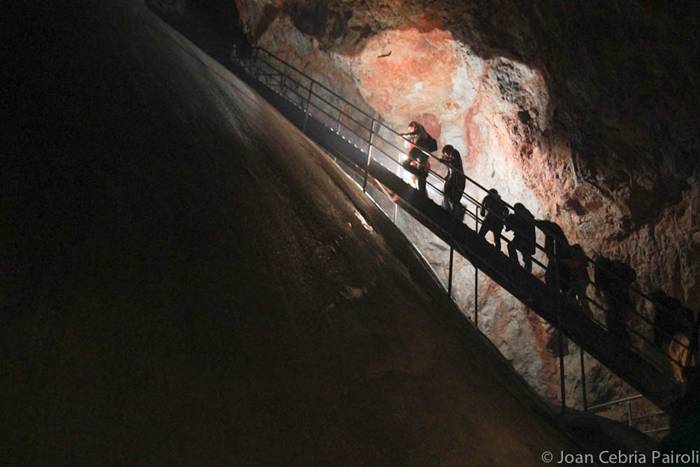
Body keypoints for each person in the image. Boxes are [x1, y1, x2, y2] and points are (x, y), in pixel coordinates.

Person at [594, 256, 637, 343]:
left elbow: (600, 283)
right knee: (618, 318)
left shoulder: (606, 271)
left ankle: (619, 341)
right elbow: (632, 274)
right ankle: (622, 340)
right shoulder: (615, 267)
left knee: (615, 318)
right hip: (619, 295)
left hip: (617, 296)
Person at [399, 121, 435, 195]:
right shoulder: (424, 134)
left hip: (419, 148)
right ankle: (423, 194)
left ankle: (420, 174)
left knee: (405, 164)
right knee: (422, 176)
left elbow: (414, 134)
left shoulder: (419, 129)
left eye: (410, 129)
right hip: (425, 151)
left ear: (413, 126)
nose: (410, 131)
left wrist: (404, 135)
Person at [559, 244, 592, 316]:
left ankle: (586, 313)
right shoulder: (580, 260)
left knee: (579, 296)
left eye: (573, 252)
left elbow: (573, 264)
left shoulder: (579, 261)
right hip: (580, 281)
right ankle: (585, 312)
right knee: (580, 297)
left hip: (581, 281)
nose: (572, 254)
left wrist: (561, 260)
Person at [537, 220, 569, 287]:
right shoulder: (553, 235)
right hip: (557, 259)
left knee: (552, 277)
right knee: (551, 277)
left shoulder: (555, 237)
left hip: (558, 260)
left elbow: (550, 251)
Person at [505, 203, 536, 272]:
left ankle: (519, 265)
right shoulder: (525, 214)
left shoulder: (525, 215)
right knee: (525, 254)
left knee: (525, 254)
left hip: (524, 237)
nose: (515, 211)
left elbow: (522, 224)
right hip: (523, 237)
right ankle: (521, 267)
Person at [439, 145, 465, 219]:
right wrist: (447, 176)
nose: (445, 156)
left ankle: (456, 212)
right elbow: (450, 169)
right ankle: (450, 210)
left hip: (457, 178)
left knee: (453, 195)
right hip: (453, 178)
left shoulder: (454, 152)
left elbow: (455, 162)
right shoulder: (450, 157)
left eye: (445, 154)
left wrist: (445, 161)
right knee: (448, 194)